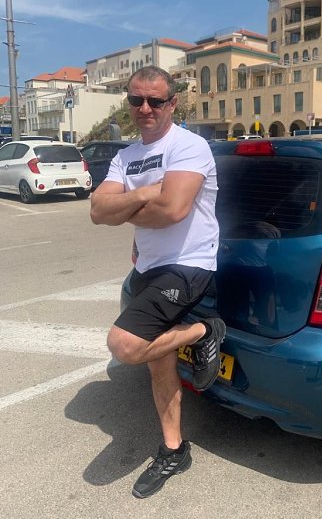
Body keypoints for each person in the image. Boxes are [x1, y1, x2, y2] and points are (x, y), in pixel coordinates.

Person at [90, 65, 225, 499]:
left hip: (187, 266)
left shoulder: (189, 146)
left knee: (125, 345)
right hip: (148, 267)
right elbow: (97, 211)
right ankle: (174, 450)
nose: (145, 108)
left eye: (155, 100)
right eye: (136, 100)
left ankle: (204, 330)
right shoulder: (125, 156)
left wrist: (125, 208)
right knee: (157, 361)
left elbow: (173, 211)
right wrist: (147, 193)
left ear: (172, 103)